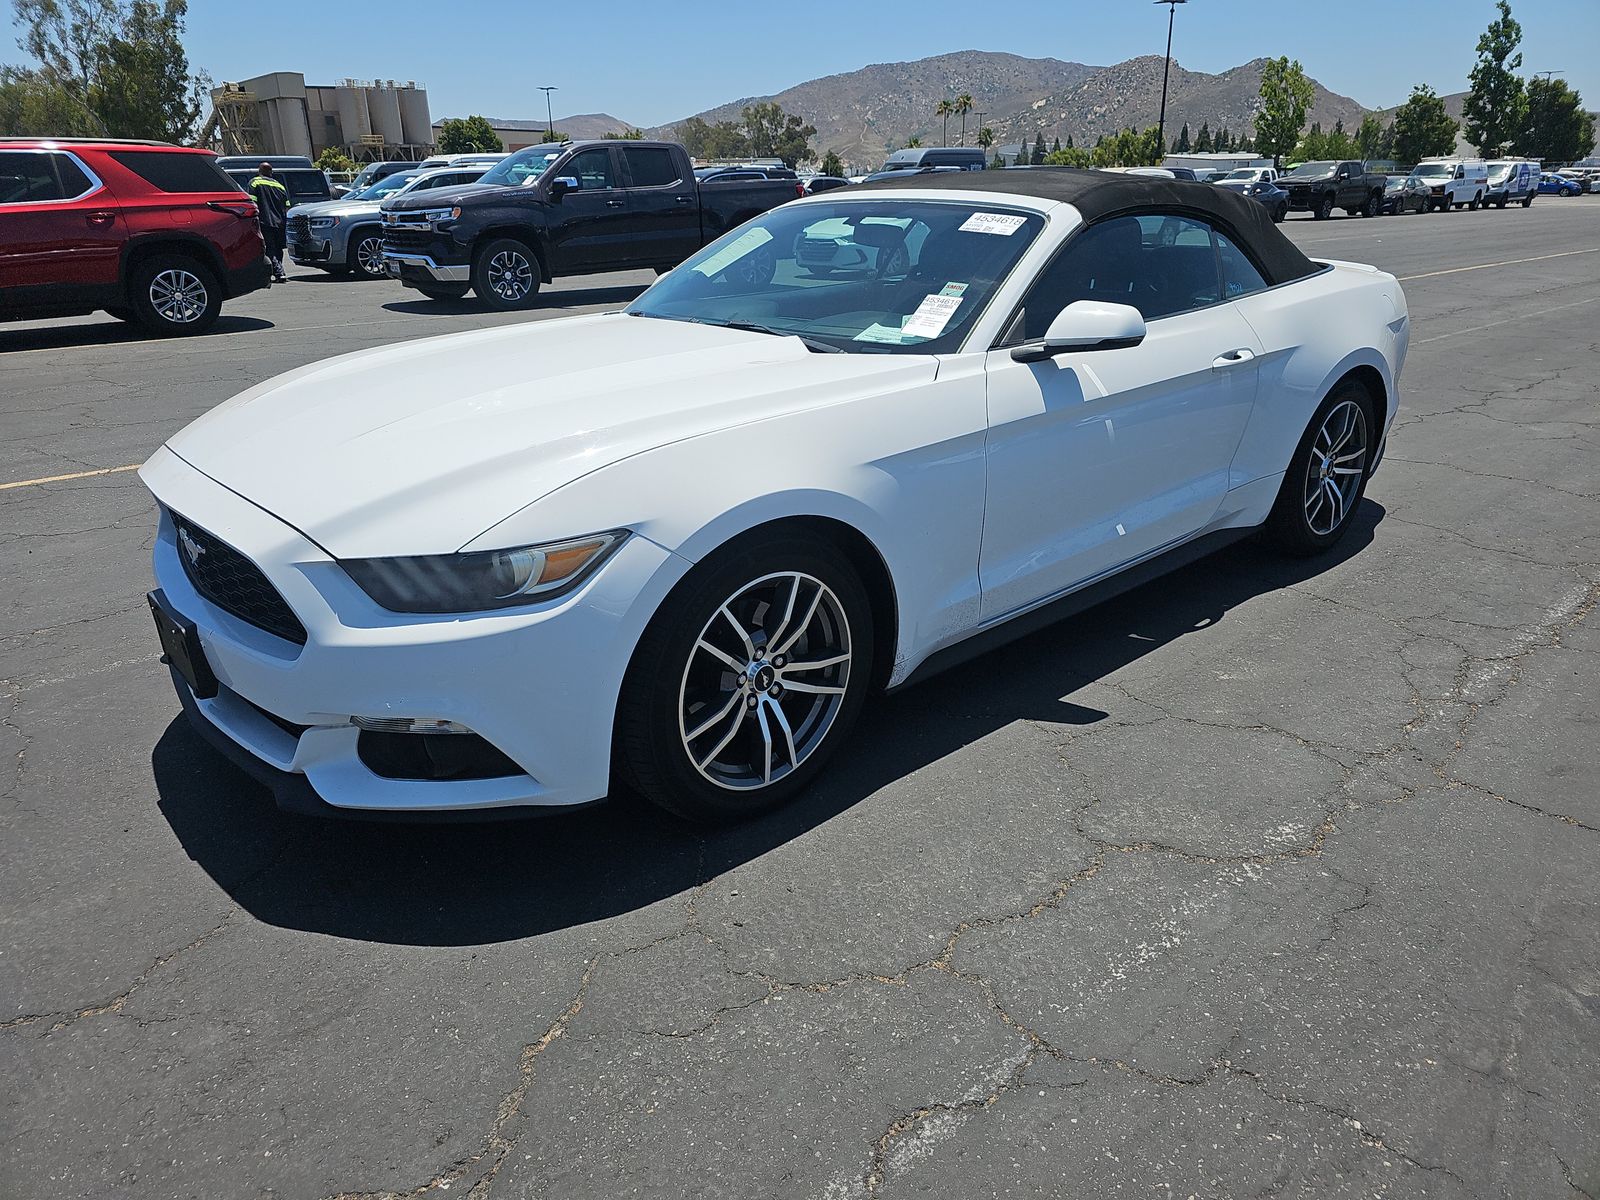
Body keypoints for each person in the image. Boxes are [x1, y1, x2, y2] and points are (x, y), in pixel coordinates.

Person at [246, 162, 289, 282]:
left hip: (265, 221)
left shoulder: (255, 182)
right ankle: (279, 270)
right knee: (278, 248)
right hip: (280, 222)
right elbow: (287, 205)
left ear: (259, 171)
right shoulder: (279, 185)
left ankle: (279, 272)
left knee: (269, 248)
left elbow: (252, 203)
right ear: (271, 172)